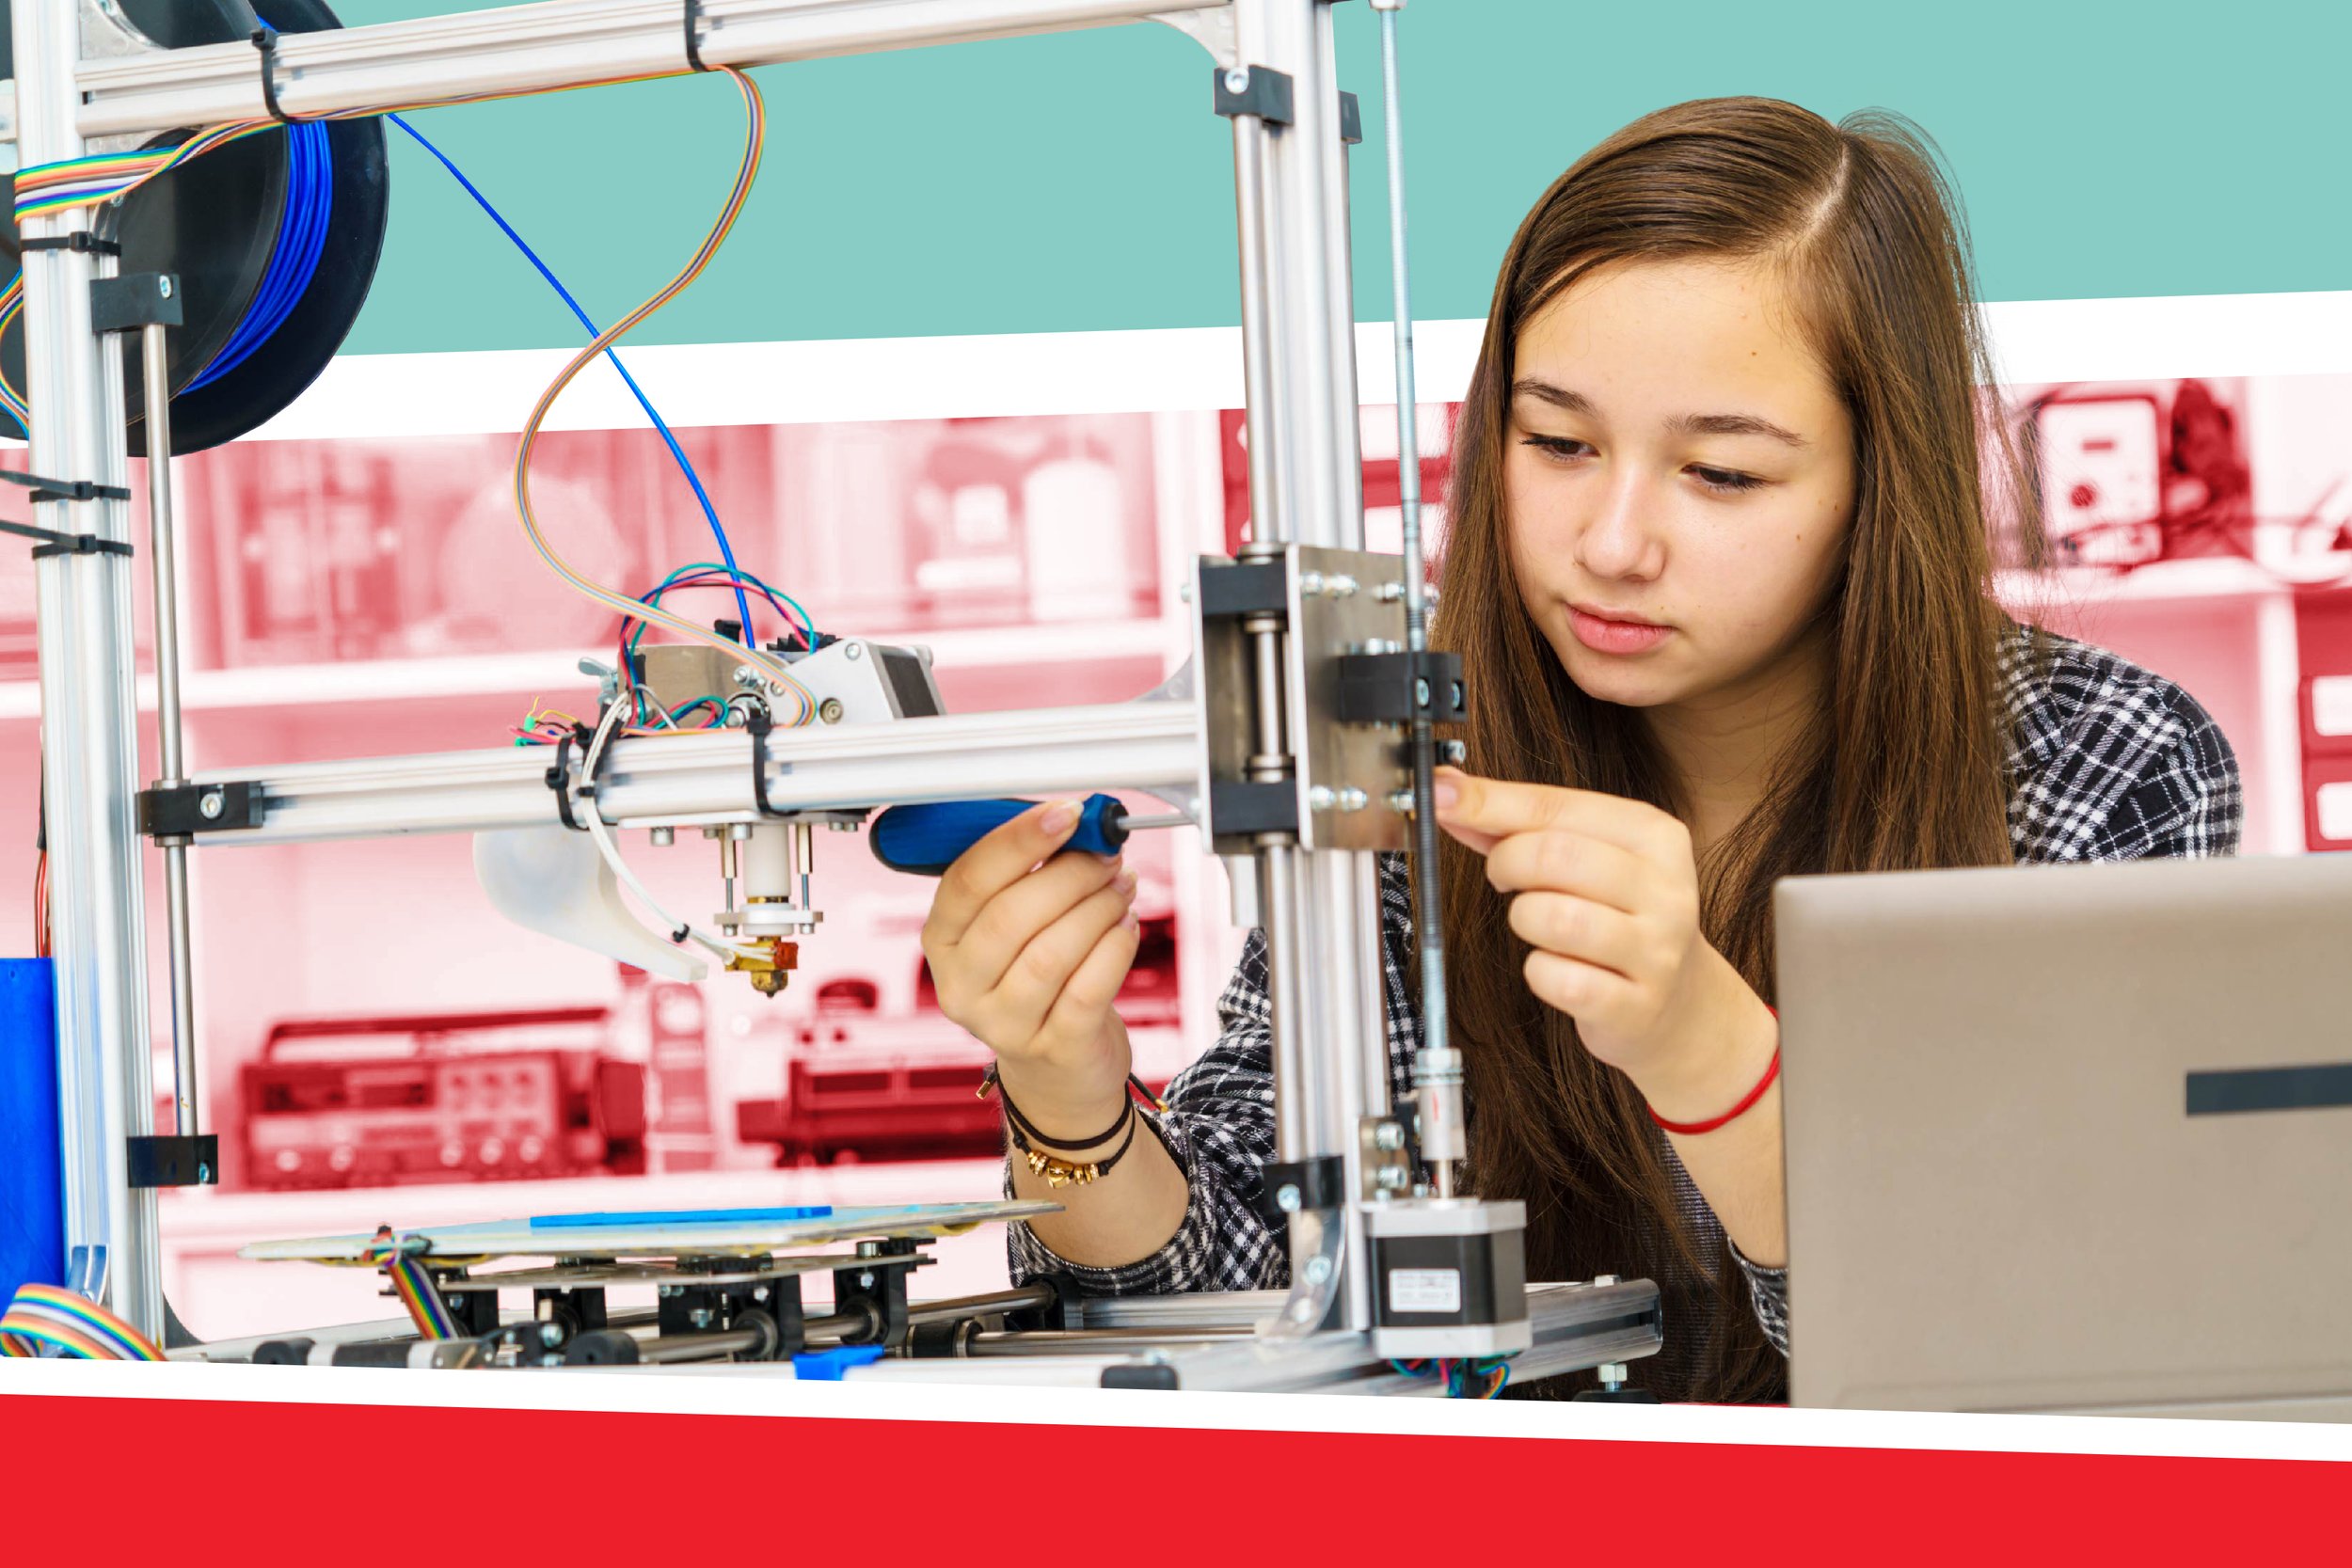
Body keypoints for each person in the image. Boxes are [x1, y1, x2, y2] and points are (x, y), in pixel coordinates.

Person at [917, 97, 2242, 1402]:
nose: (1611, 543)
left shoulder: (2102, 763)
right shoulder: (1420, 757)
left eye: (1721, 473)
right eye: (1556, 441)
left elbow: (2048, 1348)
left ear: (1877, 482)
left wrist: (1701, 1044)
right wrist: (1064, 1083)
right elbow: (1245, 1282)